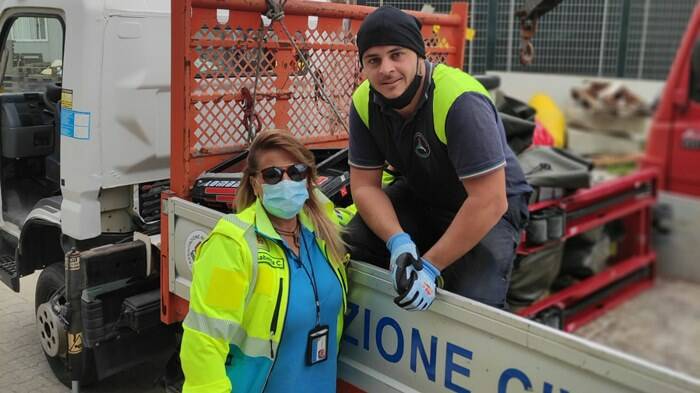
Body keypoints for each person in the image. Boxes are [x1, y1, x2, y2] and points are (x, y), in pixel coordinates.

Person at [345, 6, 532, 311]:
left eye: (397, 55)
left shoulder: (460, 101)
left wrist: (430, 266)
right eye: (373, 60)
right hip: (424, 192)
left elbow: (490, 200)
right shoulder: (364, 102)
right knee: (354, 242)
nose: (386, 69)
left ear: (420, 56)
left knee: (472, 300)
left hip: (489, 204)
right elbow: (365, 187)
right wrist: (397, 242)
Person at [180, 130, 348, 393]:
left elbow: (363, 205)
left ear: (308, 178)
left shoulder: (321, 229)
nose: (286, 181)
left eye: (296, 172)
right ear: (255, 184)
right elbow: (203, 344)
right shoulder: (232, 244)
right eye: (272, 175)